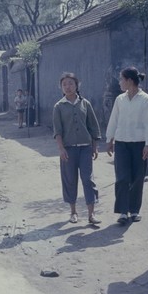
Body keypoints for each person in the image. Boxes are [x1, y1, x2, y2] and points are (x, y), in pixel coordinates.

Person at [106, 67, 148, 225]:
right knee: (122, 177)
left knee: (137, 178)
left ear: (129, 80)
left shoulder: (146, 99)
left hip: (139, 144)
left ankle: (134, 210)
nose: (120, 82)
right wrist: (110, 139)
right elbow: (114, 119)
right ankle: (122, 211)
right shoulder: (119, 99)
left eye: (122, 79)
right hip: (122, 143)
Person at [53, 73, 102, 224]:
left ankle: (91, 214)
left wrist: (94, 146)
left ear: (76, 85)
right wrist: (61, 149)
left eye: (71, 83)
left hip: (85, 148)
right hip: (68, 149)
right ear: (61, 87)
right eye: (64, 84)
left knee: (88, 179)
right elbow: (57, 131)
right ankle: (73, 212)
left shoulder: (85, 103)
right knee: (70, 180)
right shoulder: (59, 107)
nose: (68, 87)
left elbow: (93, 126)